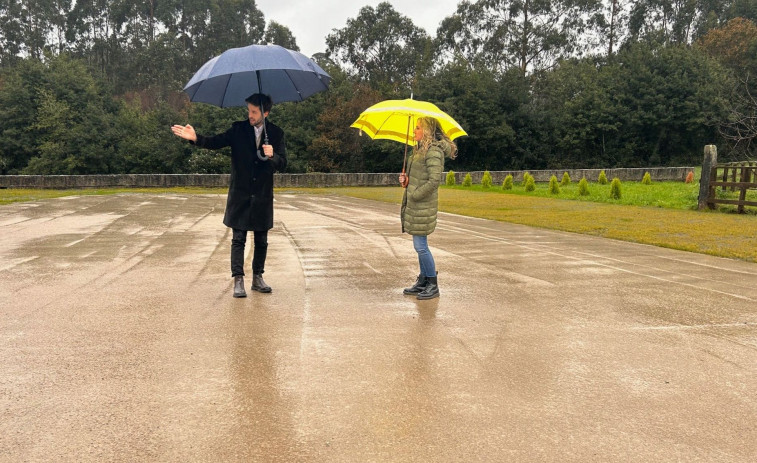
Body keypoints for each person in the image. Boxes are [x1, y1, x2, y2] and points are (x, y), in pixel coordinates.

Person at [171, 93, 287, 298]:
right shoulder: (238, 129)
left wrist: (273, 156)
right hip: (240, 193)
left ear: (265, 113)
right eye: (248, 111)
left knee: (261, 239)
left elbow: (283, 164)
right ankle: (238, 280)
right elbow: (216, 142)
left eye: (254, 112)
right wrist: (196, 139)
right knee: (238, 238)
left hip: (262, 196)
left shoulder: (276, 134)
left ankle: (258, 277)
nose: (250, 115)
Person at [398, 116, 457, 300]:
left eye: (417, 128)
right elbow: (416, 178)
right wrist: (405, 180)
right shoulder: (418, 151)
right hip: (416, 206)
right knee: (419, 246)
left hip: (422, 205)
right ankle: (423, 280)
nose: (414, 131)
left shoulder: (433, 152)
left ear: (427, 131)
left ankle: (432, 284)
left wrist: (414, 194)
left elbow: (434, 181)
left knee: (421, 246)